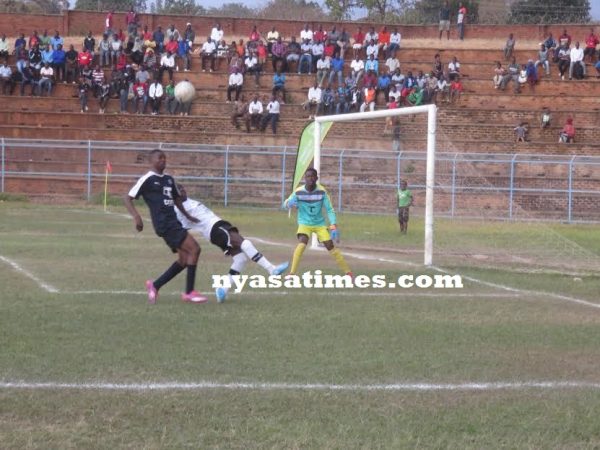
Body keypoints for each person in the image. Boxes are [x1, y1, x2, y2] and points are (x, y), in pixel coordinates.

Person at [175, 184, 288, 303]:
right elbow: (180, 227)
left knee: (240, 259)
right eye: (179, 190)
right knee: (245, 243)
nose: (182, 191)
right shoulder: (178, 210)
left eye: (183, 188)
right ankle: (271, 270)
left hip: (218, 226)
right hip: (214, 229)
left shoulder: (190, 201)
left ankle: (223, 289)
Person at [124, 149, 208, 304]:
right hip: (164, 224)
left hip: (173, 222)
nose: (163, 160)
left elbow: (176, 199)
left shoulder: (169, 179)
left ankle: (155, 286)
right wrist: (137, 217)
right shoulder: (147, 179)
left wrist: (188, 216)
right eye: (159, 158)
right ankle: (189, 292)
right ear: (152, 161)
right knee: (195, 249)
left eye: (164, 158)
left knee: (184, 259)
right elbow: (128, 198)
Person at [284, 168, 352, 277]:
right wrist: (289, 203)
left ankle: (348, 273)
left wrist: (333, 225)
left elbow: (329, 209)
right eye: (308, 176)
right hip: (304, 224)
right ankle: (292, 274)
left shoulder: (322, 192)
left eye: (312, 176)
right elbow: (285, 203)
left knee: (330, 246)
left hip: (319, 224)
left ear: (316, 178)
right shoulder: (298, 192)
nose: (310, 178)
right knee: (302, 244)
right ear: (305, 178)